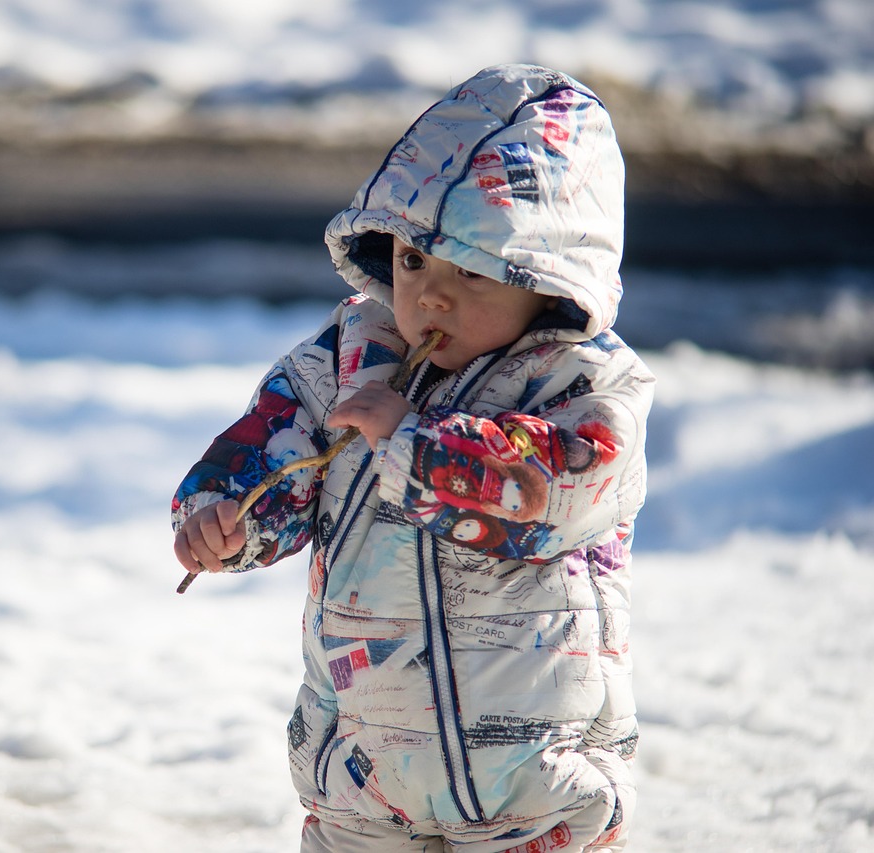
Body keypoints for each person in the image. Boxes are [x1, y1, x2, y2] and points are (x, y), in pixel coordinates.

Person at [171, 63, 654, 852]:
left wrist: (414, 443)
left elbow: (555, 491)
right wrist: (227, 513)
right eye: (412, 262)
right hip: (362, 769)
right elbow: (273, 439)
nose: (430, 297)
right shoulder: (353, 355)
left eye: (471, 272)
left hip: (532, 776)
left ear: (548, 275)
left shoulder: (585, 383)